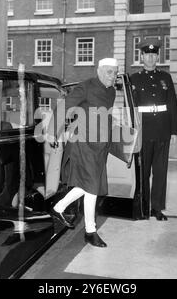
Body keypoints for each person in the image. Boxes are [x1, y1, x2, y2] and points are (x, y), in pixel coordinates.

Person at [47, 58, 118, 247]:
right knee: (92, 185)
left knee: (90, 187)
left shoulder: (112, 91)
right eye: (110, 72)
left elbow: (106, 117)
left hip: (101, 146)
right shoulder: (85, 86)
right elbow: (65, 107)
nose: (114, 76)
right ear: (100, 71)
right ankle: (85, 227)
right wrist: (53, 130)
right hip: (84, 144)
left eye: (116, 72)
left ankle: (78, 223)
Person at [130, 38, 177, 221]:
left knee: (160, 171)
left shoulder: (166, 77)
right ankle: (143, 208)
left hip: (162, 131)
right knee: (143, 172)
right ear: (141, 56)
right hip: (143, 131)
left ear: (157, 57)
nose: (150, 58)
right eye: (147, 55)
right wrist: (131, 131)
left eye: (153, 55)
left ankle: (157, 208)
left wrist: (174, 131)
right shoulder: (134, 78)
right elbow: (131, 107)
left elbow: (172, 104)